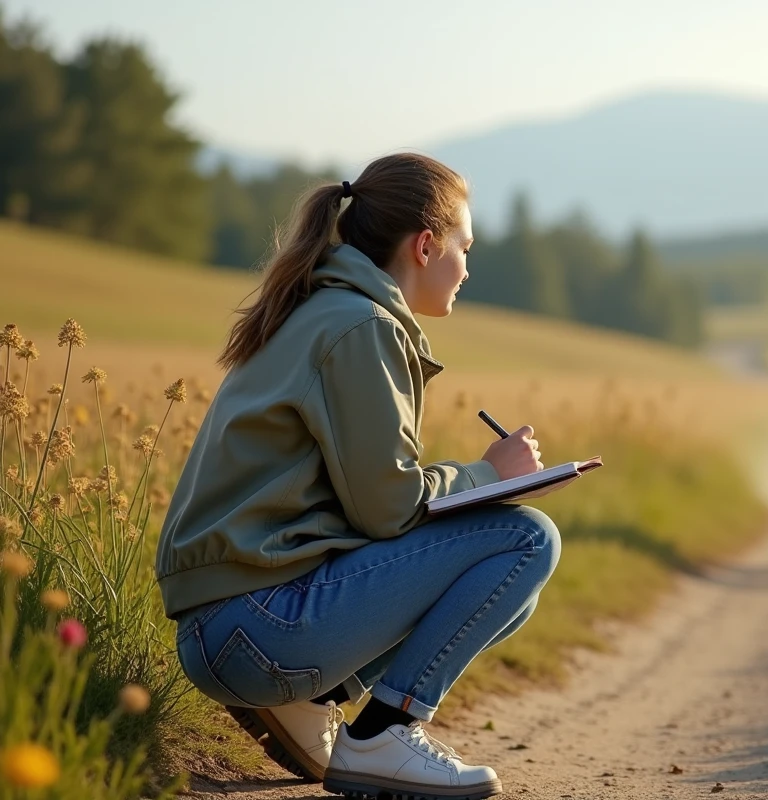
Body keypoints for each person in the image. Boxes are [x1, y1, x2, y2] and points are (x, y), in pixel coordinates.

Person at [156, 153, 560, 800]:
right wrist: (488, 474)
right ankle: (384, 734)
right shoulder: (360, 326)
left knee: (513, 565)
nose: (468, 267)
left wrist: (479, 483)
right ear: (425, 246)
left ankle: (316, 697)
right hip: (252, 626)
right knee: (526, 542)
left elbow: (361, 509)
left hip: (225, 625)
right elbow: (389, 511)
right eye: (465, 247)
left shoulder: (328, 310)